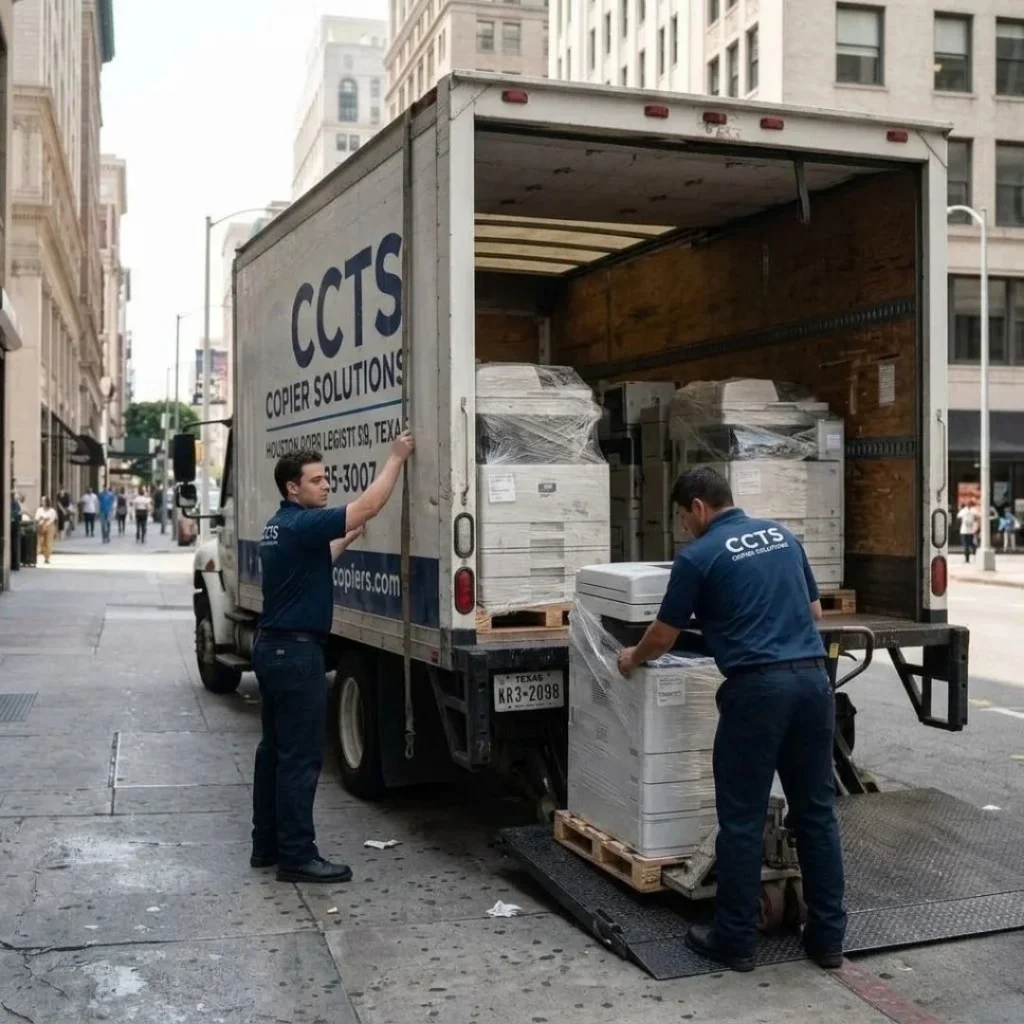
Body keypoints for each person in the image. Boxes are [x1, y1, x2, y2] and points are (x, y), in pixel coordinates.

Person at [616, 467, 844, 973]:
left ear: (697, 508)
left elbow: (664, 634)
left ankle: (735, 939)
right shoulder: (783, 536)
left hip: (757, 691)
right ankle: (827, 940)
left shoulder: (697, 557)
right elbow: (815, 615)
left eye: (681, 517)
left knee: (740, 820)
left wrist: (632, 658)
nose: (683, 527)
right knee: (816, 815)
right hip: (812, 683)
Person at [252, 434, 414, 884]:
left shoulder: (281, 526)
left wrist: (348, 536)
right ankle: (297, 856)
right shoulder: (301, 524)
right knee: (300, 759)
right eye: (317, 480)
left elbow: (319, 557)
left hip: (273, 648)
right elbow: (368, 506)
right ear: (292, 488)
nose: (326, 486)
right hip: (295, 653)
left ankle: (265, 845)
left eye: (326, 479)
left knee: (275, 753)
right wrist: (396, 459)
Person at [34, 497, 58, 565]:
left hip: (49, 527)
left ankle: (47, 558)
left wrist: (44, 520)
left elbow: (52, 519)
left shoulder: (52, 510)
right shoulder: (39, 510)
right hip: (41, 526)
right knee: (41, 542)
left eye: (44, 501)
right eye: (42, 501)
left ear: (47, 502)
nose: (42, 502)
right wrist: (42, 519)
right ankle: (43, 553)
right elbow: (36, 518)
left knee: (48, 542)